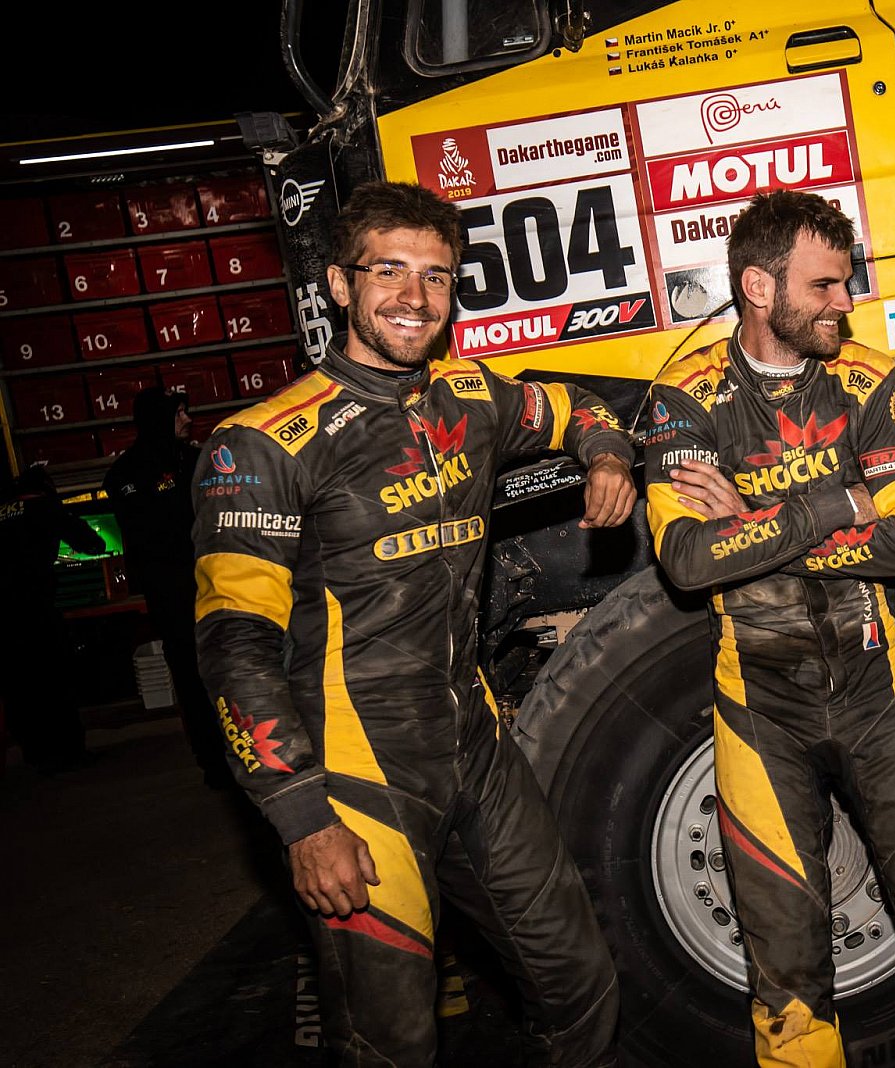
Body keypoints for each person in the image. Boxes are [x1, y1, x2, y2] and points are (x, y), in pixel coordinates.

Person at [191, 181, 631, 1066]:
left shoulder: (468, 397)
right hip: (360, 773)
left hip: (476, 746)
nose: (414, 297)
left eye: (436, 276)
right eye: (388, 270)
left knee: (581, 983)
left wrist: (607, 456)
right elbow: (235, 650)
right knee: (392, 1039)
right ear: (339, 285)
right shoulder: (261, 444)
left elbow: (580, 406)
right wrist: (301, 817)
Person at [645, 190, 895, 1066]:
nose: (844, 302)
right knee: (787, 984)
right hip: (760, 716)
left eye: (845, 282)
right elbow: (690, 562)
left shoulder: (866, 377)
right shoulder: (685, 394)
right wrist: (834, 504)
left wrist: (759, 528)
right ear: (758, 287)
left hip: (880, 701)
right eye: (823, 286)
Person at [104, 387, 229, 787]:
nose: (188, 420)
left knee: (233, 670)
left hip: (217, 587)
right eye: (179, 413)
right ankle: (214, 763)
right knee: (192, 680)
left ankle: (248, 754)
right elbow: (145, 535)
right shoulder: (124, 474)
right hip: (173, 598)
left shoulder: (195, 458)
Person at [0, 463, 103, 772]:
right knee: (56, 680)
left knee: (19, 685)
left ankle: (35, 753)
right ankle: (70, 751)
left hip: (4, 617)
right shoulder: (44, 508)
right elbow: (91, 543)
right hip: (37, 610)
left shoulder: (3, 510)